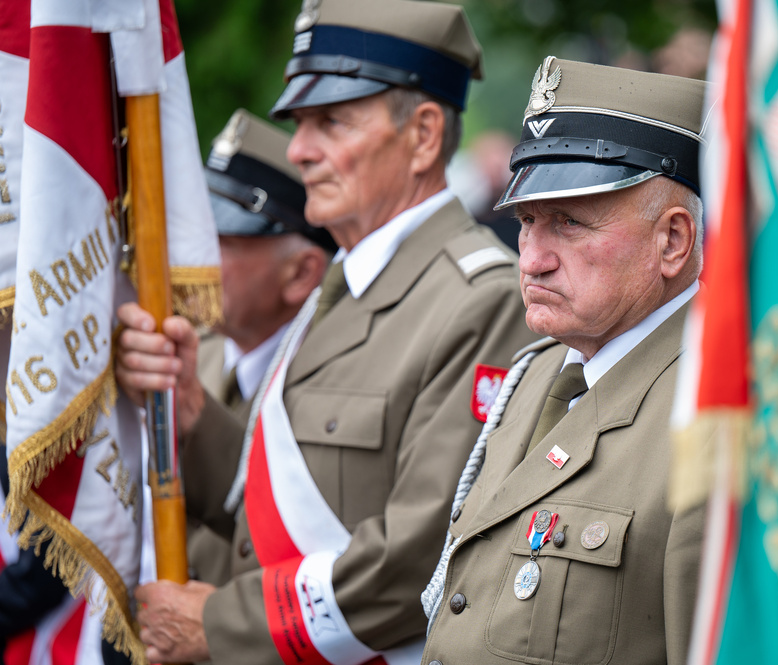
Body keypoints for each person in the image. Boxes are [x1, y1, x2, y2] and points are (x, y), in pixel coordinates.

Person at [114, 1, 537, 664]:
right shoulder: (342, 288)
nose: (301, 150)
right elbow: (278, 506)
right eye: (301, 123)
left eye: (331, 121)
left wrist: (220, 622)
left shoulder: (478, 300)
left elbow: (418, 556)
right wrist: (193, 410)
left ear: (424, 135)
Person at [420, 57, 710, 665]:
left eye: (569, 222)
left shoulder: (708, 421)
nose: (531, 259)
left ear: (674, 241)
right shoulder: (535, 377)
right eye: (527, 221)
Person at [187, 108, 336, 588]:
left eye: (222, 241)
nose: (195, 255)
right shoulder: (197, 350)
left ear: (301, 274)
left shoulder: (332, 380)